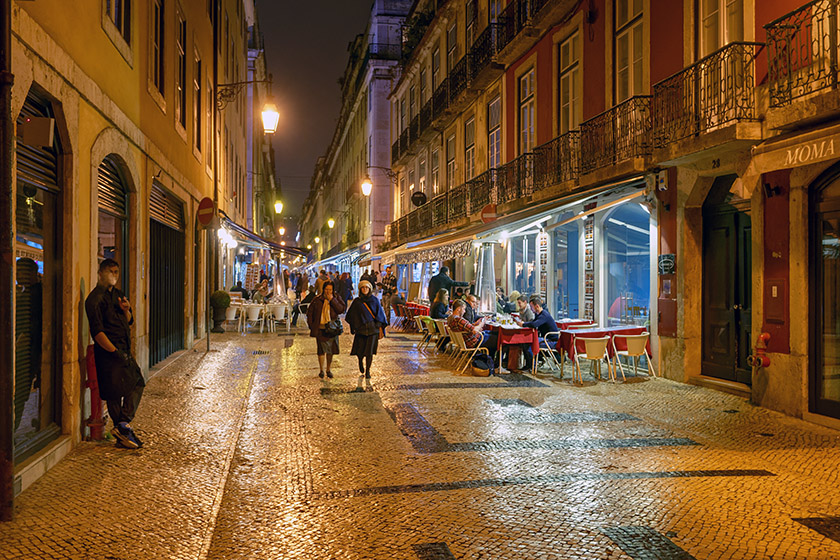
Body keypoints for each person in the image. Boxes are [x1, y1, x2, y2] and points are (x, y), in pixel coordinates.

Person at [84, 258, 145, 449]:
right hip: (109, 353)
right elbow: (98, 332)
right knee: (113, 393)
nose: (114, 275)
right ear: (101, 273)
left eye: (116, 272)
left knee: (137, 382)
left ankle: (122, 426)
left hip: (123, 349)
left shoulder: (118, 295)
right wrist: (114, 352)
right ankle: (123, 431)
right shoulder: (94, 299)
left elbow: (128, 321)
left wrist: (127, 310)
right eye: (110, 271)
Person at [345, 280, 387, 379]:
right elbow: (350, 316)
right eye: (363, 288)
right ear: (360, 289)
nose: (365, 289)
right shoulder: (357, 302)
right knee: (360, 351)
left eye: (367, 288)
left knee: (369, 352)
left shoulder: (375, 300)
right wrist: (354, 327)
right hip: (361, 330)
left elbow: (380, 314)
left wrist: (378, 325)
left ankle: (368, 370)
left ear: (370, 289)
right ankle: (360, 361)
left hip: (372, 330)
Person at [306, 280, 346, 378]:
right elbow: (310, 313)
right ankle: (321, 370)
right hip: (320, 328)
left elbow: (341, 309)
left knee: (330, 350)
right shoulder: (317, 299)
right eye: (326, 289)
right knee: (320, 350)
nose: (328, 292)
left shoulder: (336, 297)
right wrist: (312, 325)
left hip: (332, 328)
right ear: (323, 289)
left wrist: (332, 300)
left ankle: (328, 369)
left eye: (330, 290)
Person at [514, 296, 557, 372]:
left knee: (529, 343)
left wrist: (523, 324)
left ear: (537, 306)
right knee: (525, 342)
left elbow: (534, 324)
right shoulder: (539, 314)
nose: (530, 308)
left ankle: (532, 366)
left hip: (551, 340)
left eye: (531, 306)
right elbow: (533, 322)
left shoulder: (544, 315)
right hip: (545, 338)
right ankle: (528, 364)